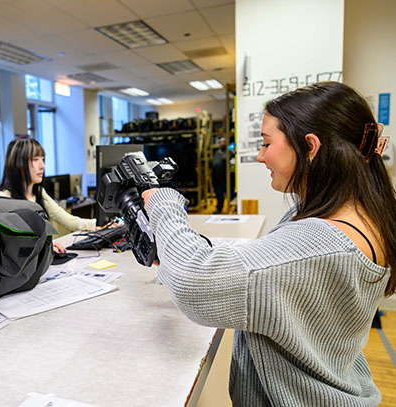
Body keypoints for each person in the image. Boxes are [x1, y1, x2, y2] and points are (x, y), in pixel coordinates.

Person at [142, 82, 395, 406]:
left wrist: (164, 205)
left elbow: (195, 283)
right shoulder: (358, 211)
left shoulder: (320, 243)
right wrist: (177, 251)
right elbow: (272, 265)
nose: (260, 156)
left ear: (311, 147)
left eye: (266, 143)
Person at [0, 137, 96, 252]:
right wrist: (45, 248)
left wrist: (97, 224)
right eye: (35, 159)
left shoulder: (39, 193)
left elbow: (69, 220)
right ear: (18, 164)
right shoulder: (3, 199)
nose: (42, 165)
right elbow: (10, 245)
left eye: (43, 159)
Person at [211, 136, 228, 214]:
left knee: (229, 193)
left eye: (223, 142)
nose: (222, 144)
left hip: (225, 177)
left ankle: (230, 207)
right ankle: (219, 208)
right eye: (221, 142)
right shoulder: (216, 152)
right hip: (216, 177)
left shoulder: (228, 152)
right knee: (218, 194)